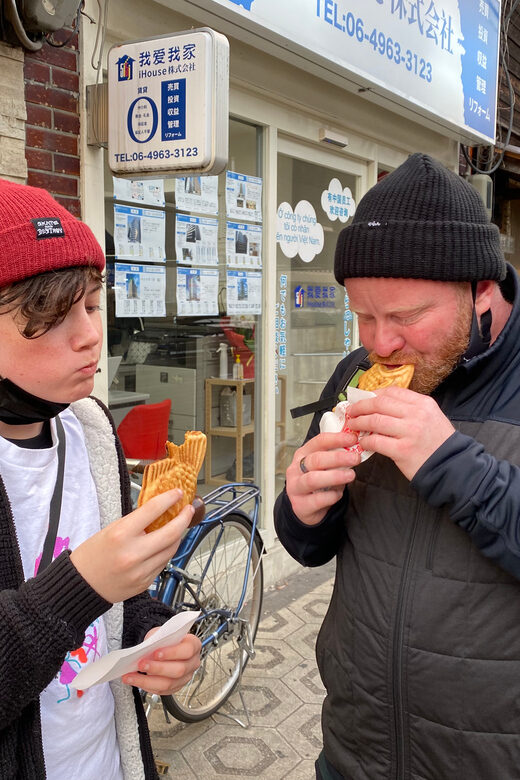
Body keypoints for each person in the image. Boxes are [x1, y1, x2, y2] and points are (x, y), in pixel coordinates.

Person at [274, 153, 520, 780]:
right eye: (364, 314)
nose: (380, 343)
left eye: (407, 318)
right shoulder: (356, 375)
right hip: (358, 747)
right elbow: (310, 546)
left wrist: (450, 462)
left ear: (481, 290)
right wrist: (302, 508)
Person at [0, 178, 201, 779]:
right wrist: (83, 581)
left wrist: (154, 633)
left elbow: (119, 601)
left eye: (91, 303)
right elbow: (86, 587)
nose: (90, 334)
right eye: (54, 314)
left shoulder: (88, 427)